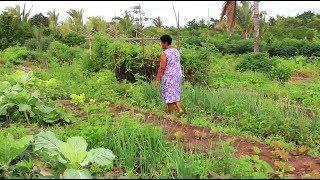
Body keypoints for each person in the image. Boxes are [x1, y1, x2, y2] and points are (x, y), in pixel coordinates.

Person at [154, 34, 184, 117]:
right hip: (177, 75)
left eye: (161, 43)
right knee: (175, 93)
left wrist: (157, 79)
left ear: (166, 43)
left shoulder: (165, 53)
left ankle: (171, 115)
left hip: (169, 76)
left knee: (169, 95)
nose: (161, 45)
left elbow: (162, 67)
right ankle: (179, 109)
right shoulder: (176, 51)